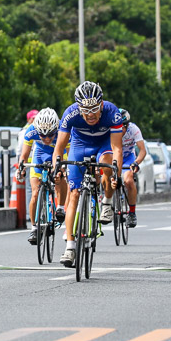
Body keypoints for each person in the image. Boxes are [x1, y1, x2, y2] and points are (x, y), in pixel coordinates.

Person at [52, 81, 123, 267]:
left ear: (101, 105)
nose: (90, 115)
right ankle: (70, 247)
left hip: (104, 145)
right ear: (78, 107)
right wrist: (56, 168)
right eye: (85, 110)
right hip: (79, 145)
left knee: (108, 164)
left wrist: (117, 173)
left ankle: (107, 202)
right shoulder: (70, 114)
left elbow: (117, 148)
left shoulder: (112, 113)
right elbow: (59, 148)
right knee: (74, 193)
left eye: (94, 109)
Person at [17, 108, 69, 245]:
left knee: (60, 176)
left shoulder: (62, 129)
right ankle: (34, 227)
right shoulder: (31, 130)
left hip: (58, 153)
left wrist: (63, 169)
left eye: (50, 135)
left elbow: (69, 154)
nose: (46, 139)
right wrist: (21, 167)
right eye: (42, 136)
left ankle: (60, 207)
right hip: (39, 155)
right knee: (35, 193)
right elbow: (24, 155)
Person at [118, 108, 146, 228]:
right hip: (113, 156)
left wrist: (136, 163)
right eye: (119, 126)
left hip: (128, 157)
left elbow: (142, 150)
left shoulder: (133, 129)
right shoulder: (109, 130)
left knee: (128, 181)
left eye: (124, 126)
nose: (121, 130)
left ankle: (132, 213)